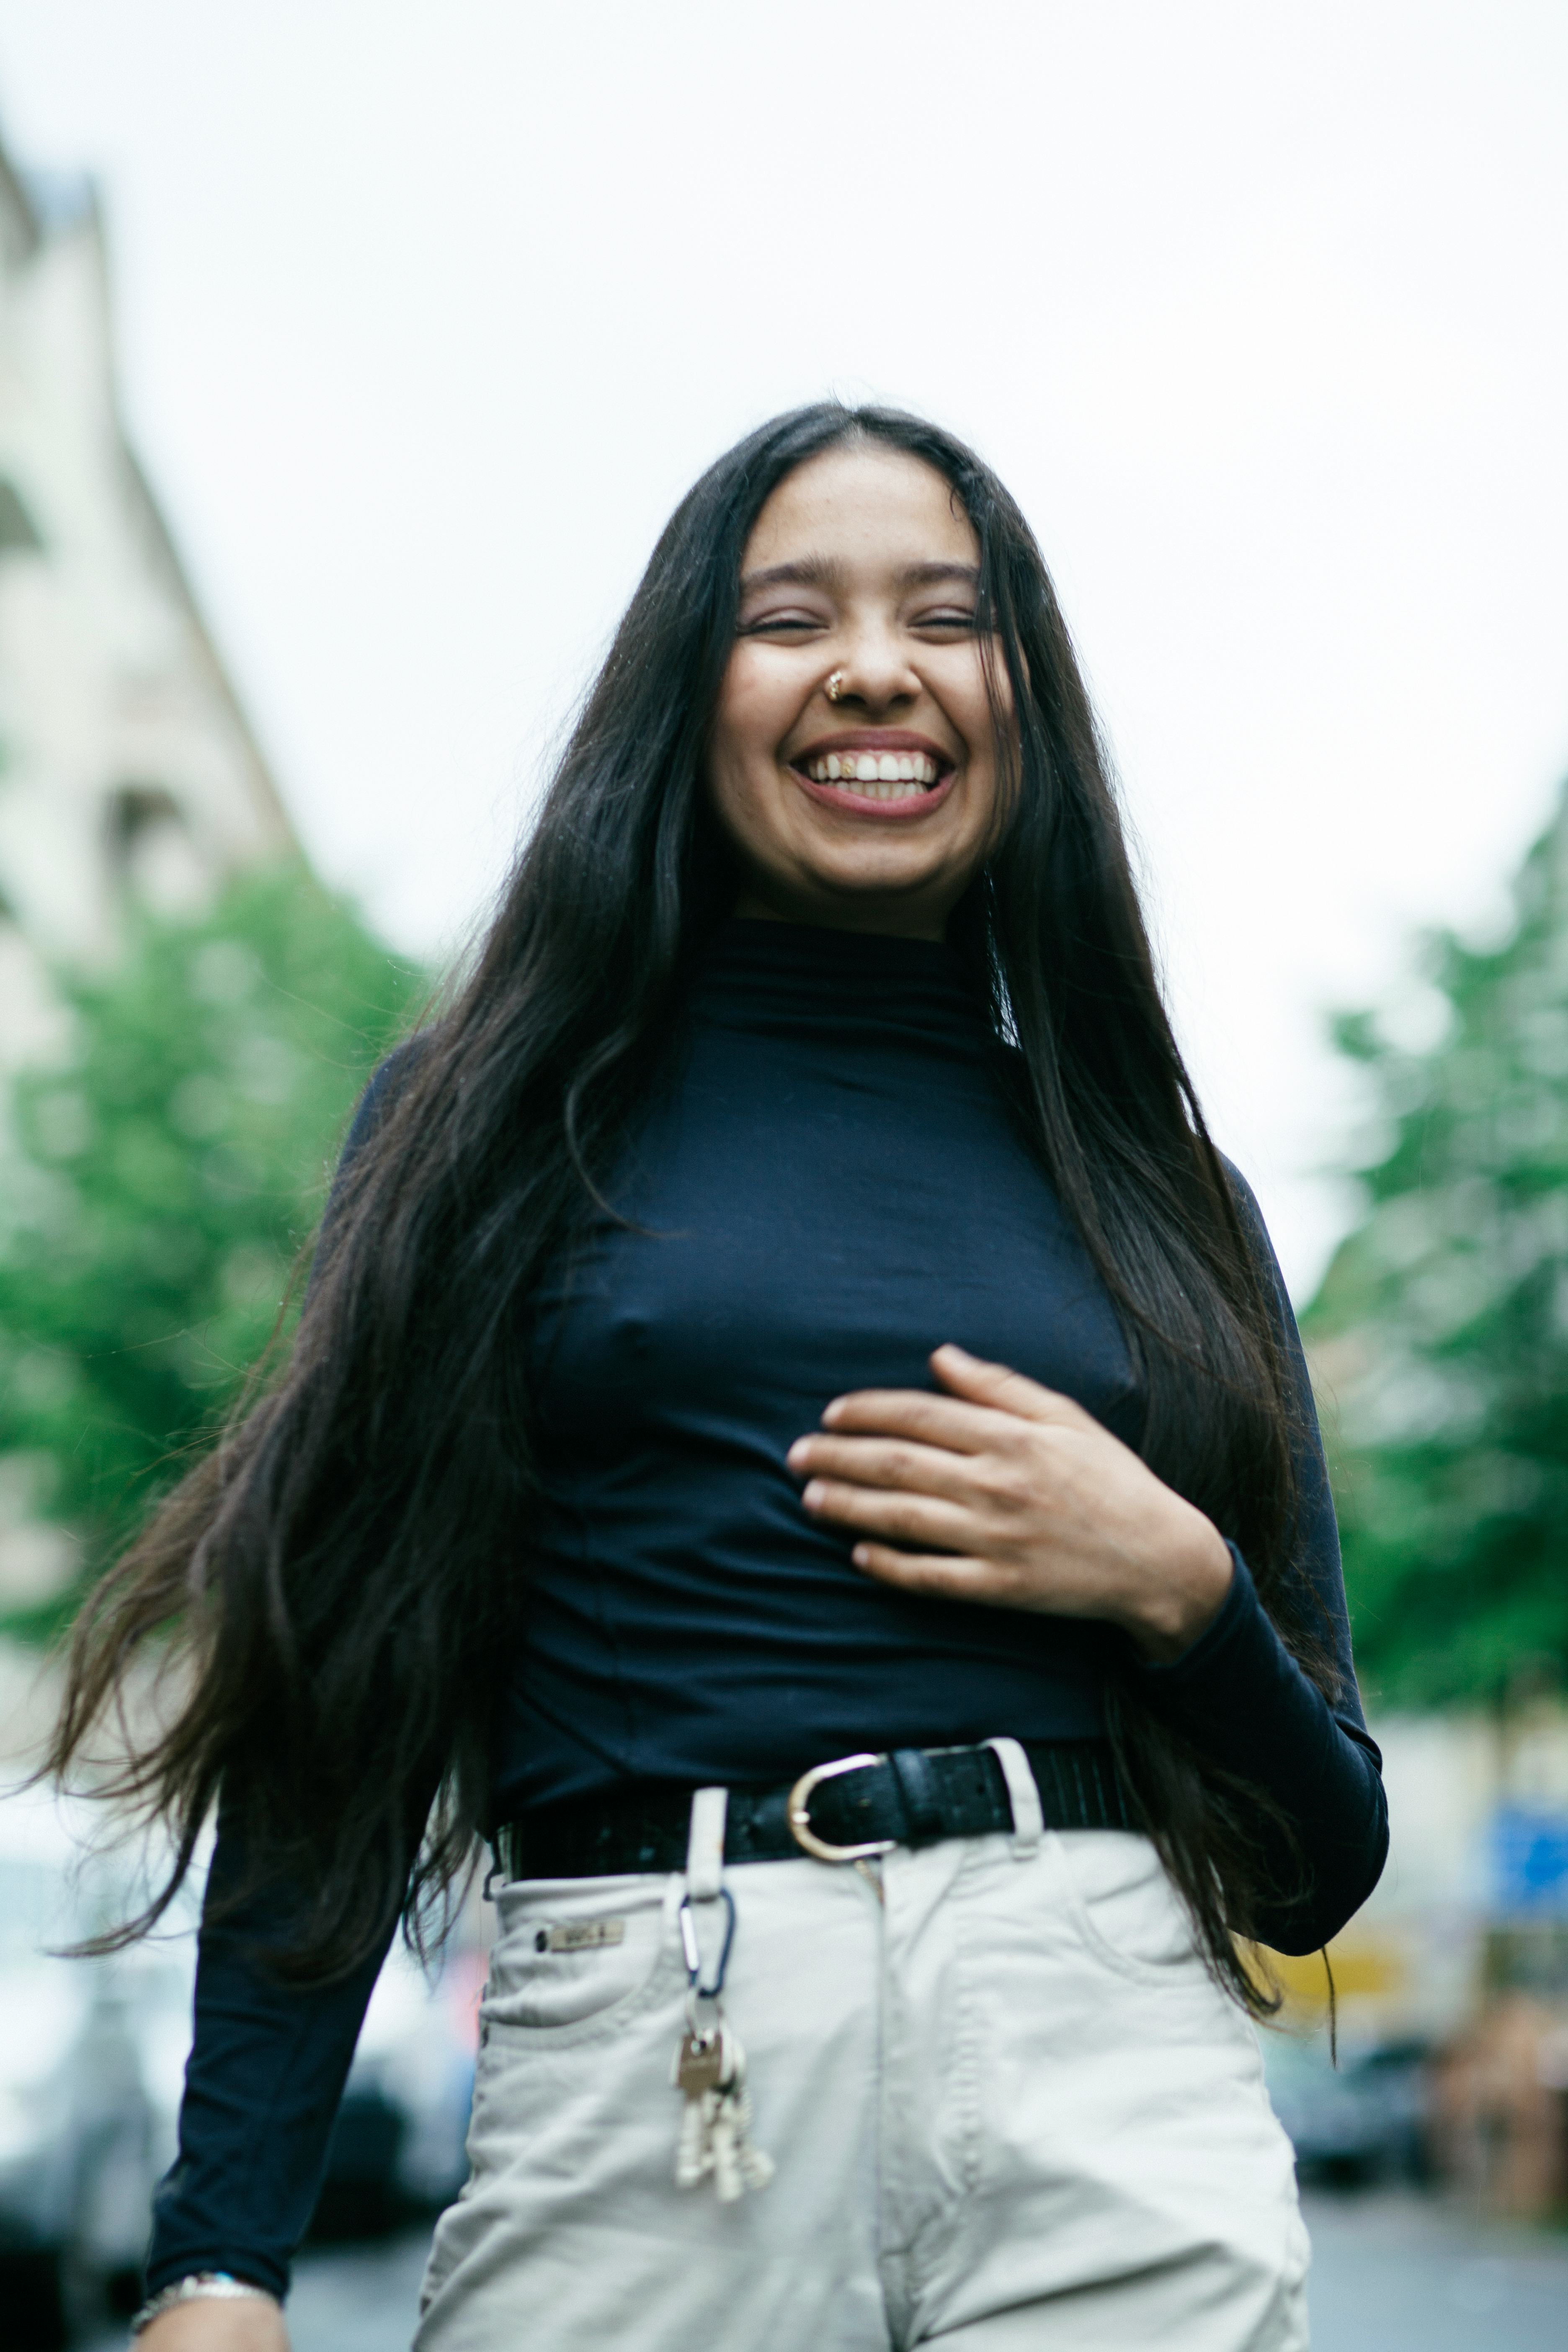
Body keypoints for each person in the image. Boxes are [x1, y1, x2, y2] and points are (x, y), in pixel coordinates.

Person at [54, 403, 1387, 2352]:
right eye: (792, 617)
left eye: (948, 614)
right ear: (688, 696)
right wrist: (216, 2259)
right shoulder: (486, 1127)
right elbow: (336, 1716)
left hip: (1109, 2074)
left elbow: (1320, 1866)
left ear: (1023, 703)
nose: (876, 665)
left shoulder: (1168, 1193)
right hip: (659, 2074)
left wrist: (1181, 1592)